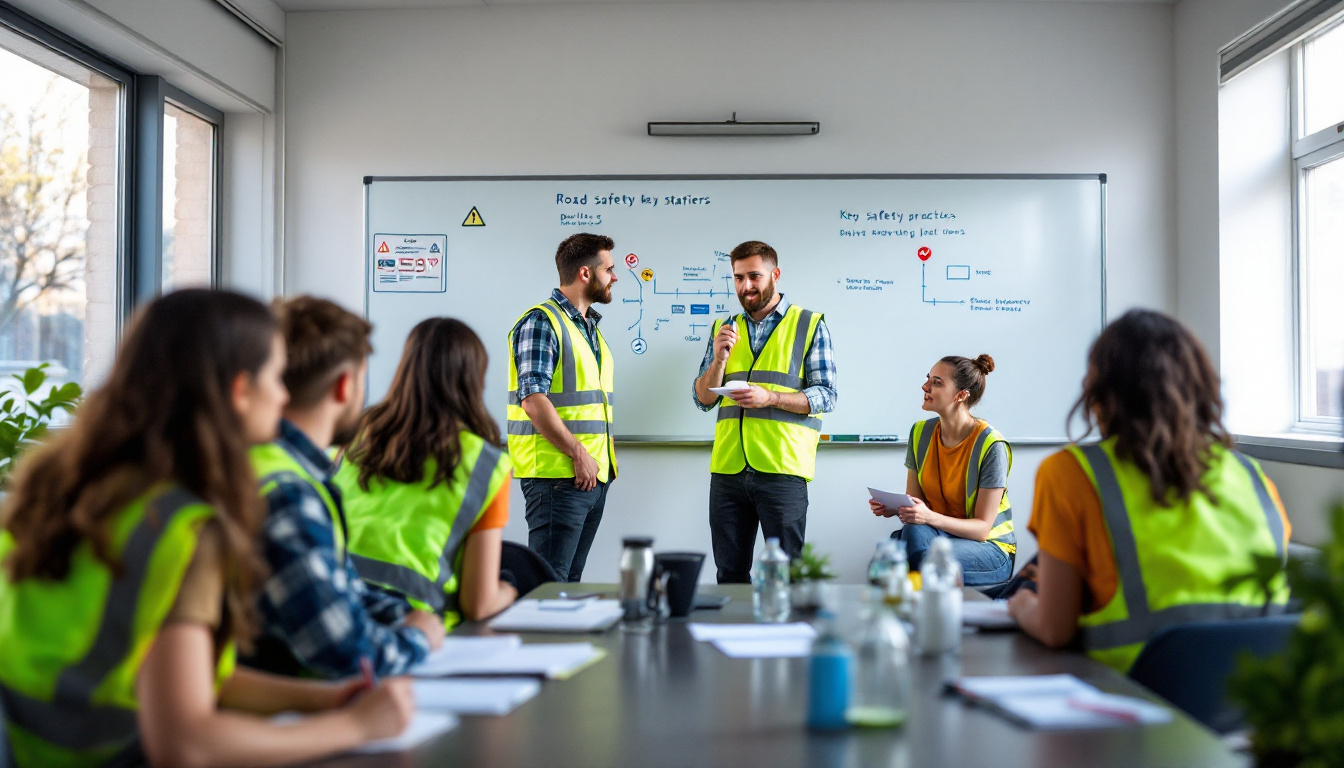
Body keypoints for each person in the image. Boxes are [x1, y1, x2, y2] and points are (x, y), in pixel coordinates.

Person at [0, 290, 413, 767]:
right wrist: (354, 727)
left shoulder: (63, 492)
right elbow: (186, 744)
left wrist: (318, 701)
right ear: (240, 391)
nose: (283, 396)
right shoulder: (182, 527)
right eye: (277, 377)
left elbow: (169, 677)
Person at [1008, 310, 1291, 673]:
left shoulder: (1069, 472)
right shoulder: (1251, 475)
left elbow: (1054, 629)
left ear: (1100, 388)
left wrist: (1022, 606)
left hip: (1135, 696)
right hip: (1246, 705)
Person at [246, 296, 444, 679]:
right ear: (344, 385)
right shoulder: (288, 493)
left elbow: (341, 589)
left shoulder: (280, 466)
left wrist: (408, 615)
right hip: (295, 710)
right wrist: (418, 637)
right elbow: (348, 655)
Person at [337, 318, 517, 629]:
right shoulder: (487, 464)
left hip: (333, 609)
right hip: (412, 629)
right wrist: (511, 589)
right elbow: (479, 604)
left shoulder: (355, 434)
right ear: (475, 380)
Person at [693, 240, 837, 583]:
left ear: (775, 274)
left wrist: (769, 397)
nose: (746, 286)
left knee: (786, 574)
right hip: (728, 470)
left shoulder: (809, 324)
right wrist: (719, 360)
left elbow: (826, 396)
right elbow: (702, 399)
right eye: (738, 278)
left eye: (754, 276)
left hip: (782, 468)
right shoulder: (722, 329)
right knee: (729, 573)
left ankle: (785, 636)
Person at [506, 233, 618, 582]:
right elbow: (533, 400)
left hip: (590, 475)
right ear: (586, 274)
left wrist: (606, 460)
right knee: (548, 584)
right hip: (558, 477)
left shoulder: (588, 329)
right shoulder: (542, 322)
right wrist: (579, 453)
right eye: (609, 269)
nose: (614, 276)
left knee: (568, 582)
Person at [870, 355, 1016, 586]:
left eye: (937, 382)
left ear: (961, 395)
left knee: (910, 558)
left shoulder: (991, 446)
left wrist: (928, 517)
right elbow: (918, 508)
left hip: (989, 548)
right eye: (928, 379)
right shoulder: (920, 433)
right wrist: (899, 508)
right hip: (939, 536)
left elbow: (981, 529)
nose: (925, 386)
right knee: (913, 535)